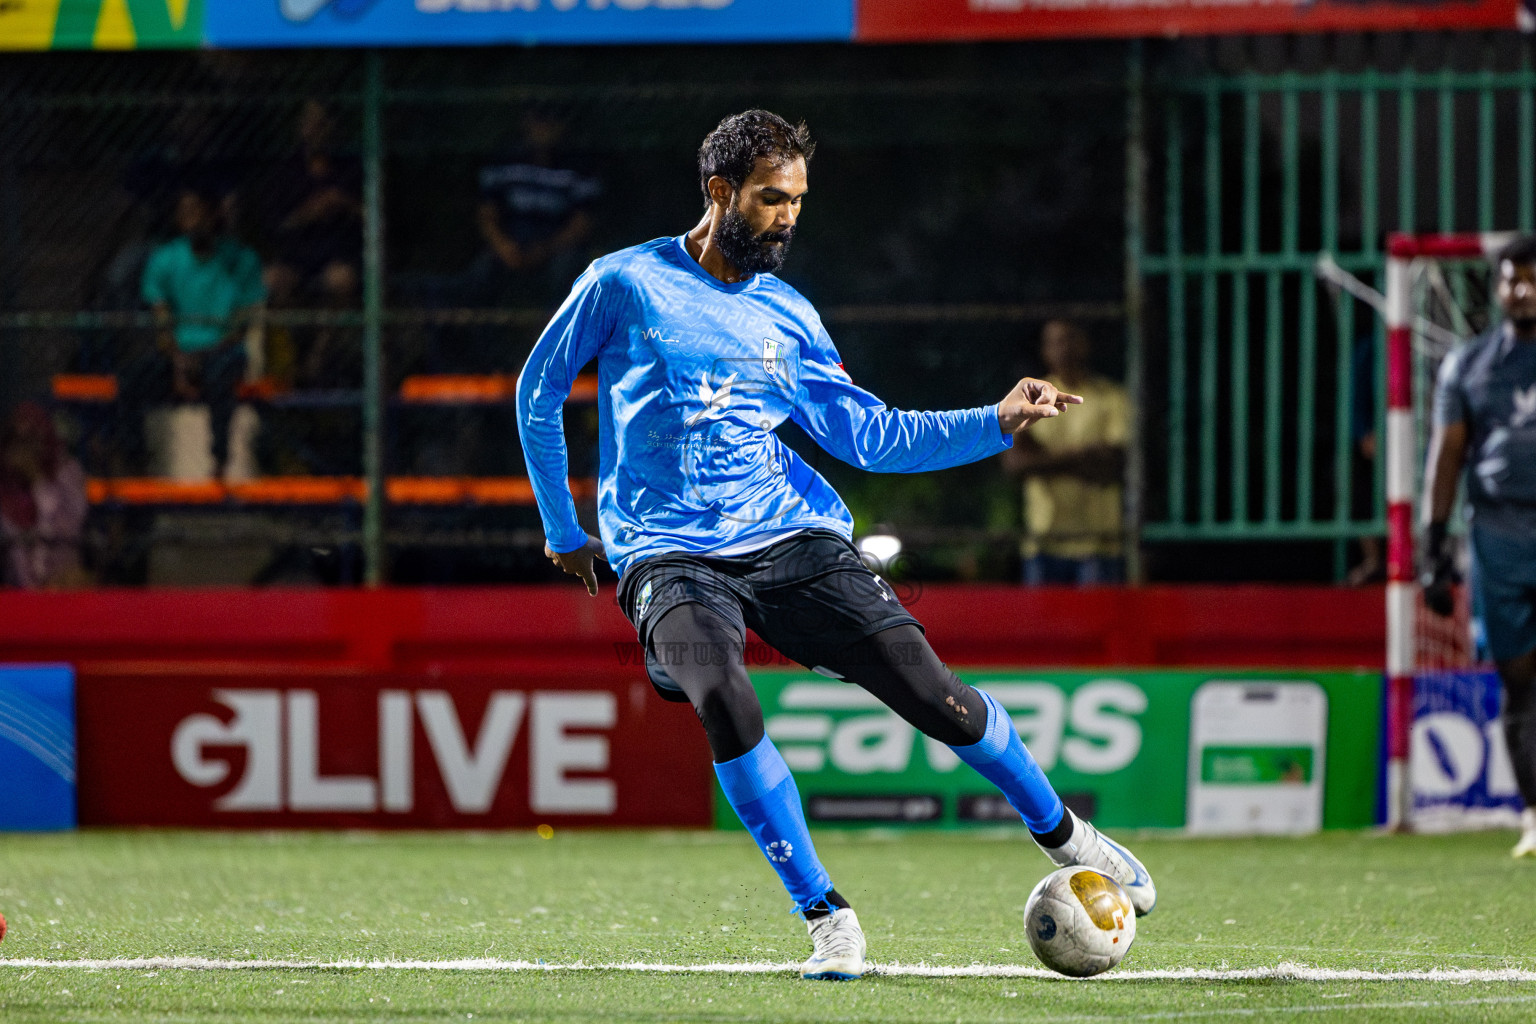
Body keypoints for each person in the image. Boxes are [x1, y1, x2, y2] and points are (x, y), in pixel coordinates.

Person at [515, 110, 1155, 980]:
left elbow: (870, 437)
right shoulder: (625, 281)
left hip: (791, 536)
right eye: (771, 199)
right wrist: (563, 529)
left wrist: (998, 419)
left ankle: (1067, 833)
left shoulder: (789, 316)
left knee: (936, 697)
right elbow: (539, 389)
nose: (788, 218)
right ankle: (826, 915)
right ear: (720, 191)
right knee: (723, 693)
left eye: (797, 201)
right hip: (667, 552)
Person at [1422, 234, 1536, 858]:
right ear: (1497, 288)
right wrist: (1433, 547)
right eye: (1512, 279)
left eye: (1532, 278)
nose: (1522, 290)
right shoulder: (1469, 364)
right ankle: (1535, 815)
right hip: (1499, 540)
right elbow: (1447, 456)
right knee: (1518, 681)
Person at [134, 187, 266, 479]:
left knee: (221, 376)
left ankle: (219, 460)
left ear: (213, 215)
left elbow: (241, 325)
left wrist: (202, 356)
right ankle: (134, 460)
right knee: (133, 379)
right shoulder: (165, 259)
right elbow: (161, 319)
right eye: (186, 214)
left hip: (222, 351)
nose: (193, 221)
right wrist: (178, 360)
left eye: (198, 212)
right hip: (179, 354)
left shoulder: (241, 259)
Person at [1002, 320, 1128, 585]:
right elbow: (1015, 464)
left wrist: (1042, 459)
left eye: (1070, 339)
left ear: (1086, 344)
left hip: (1099, 542)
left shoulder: (1112, 397)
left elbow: (1114, 464)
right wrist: (1083, 456)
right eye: (1054, 342)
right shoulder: (1030, 398)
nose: (1063, 349)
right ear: (1044, 350)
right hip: (1043, 540)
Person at [0, 403, 89, 589]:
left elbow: (68, 527)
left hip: (62, 584)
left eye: (32, 439)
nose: (27, 450)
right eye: (19, 441)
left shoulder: (67, 473)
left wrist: (37, 478)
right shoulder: (5, 487)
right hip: (16, 590)